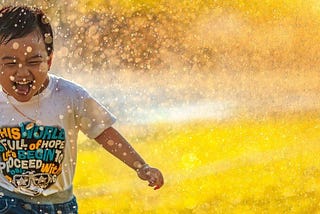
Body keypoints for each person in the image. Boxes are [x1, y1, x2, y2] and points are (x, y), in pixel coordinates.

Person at [0, 5, 164, 214]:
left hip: (61, 205)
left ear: (49, 61)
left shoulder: (69, 96)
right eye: (10, 63)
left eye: (33, 61)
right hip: (9, 202)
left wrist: (141, 166)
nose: (22, 73)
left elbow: (103, 132)